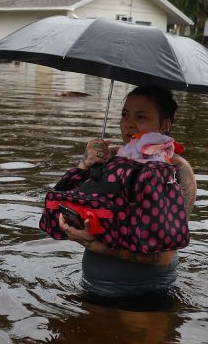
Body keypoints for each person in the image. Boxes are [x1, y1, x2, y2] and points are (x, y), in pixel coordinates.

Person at [58, 85, 197, 299]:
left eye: (141, 117)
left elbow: (163, 256)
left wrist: (98, 247)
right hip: (92, 285)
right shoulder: (111, 159)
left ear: (165, 124)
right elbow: (65, 201)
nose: (128, 125)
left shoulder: (175, 169)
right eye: (125, 115)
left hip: (145, 292)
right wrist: (86, 164)